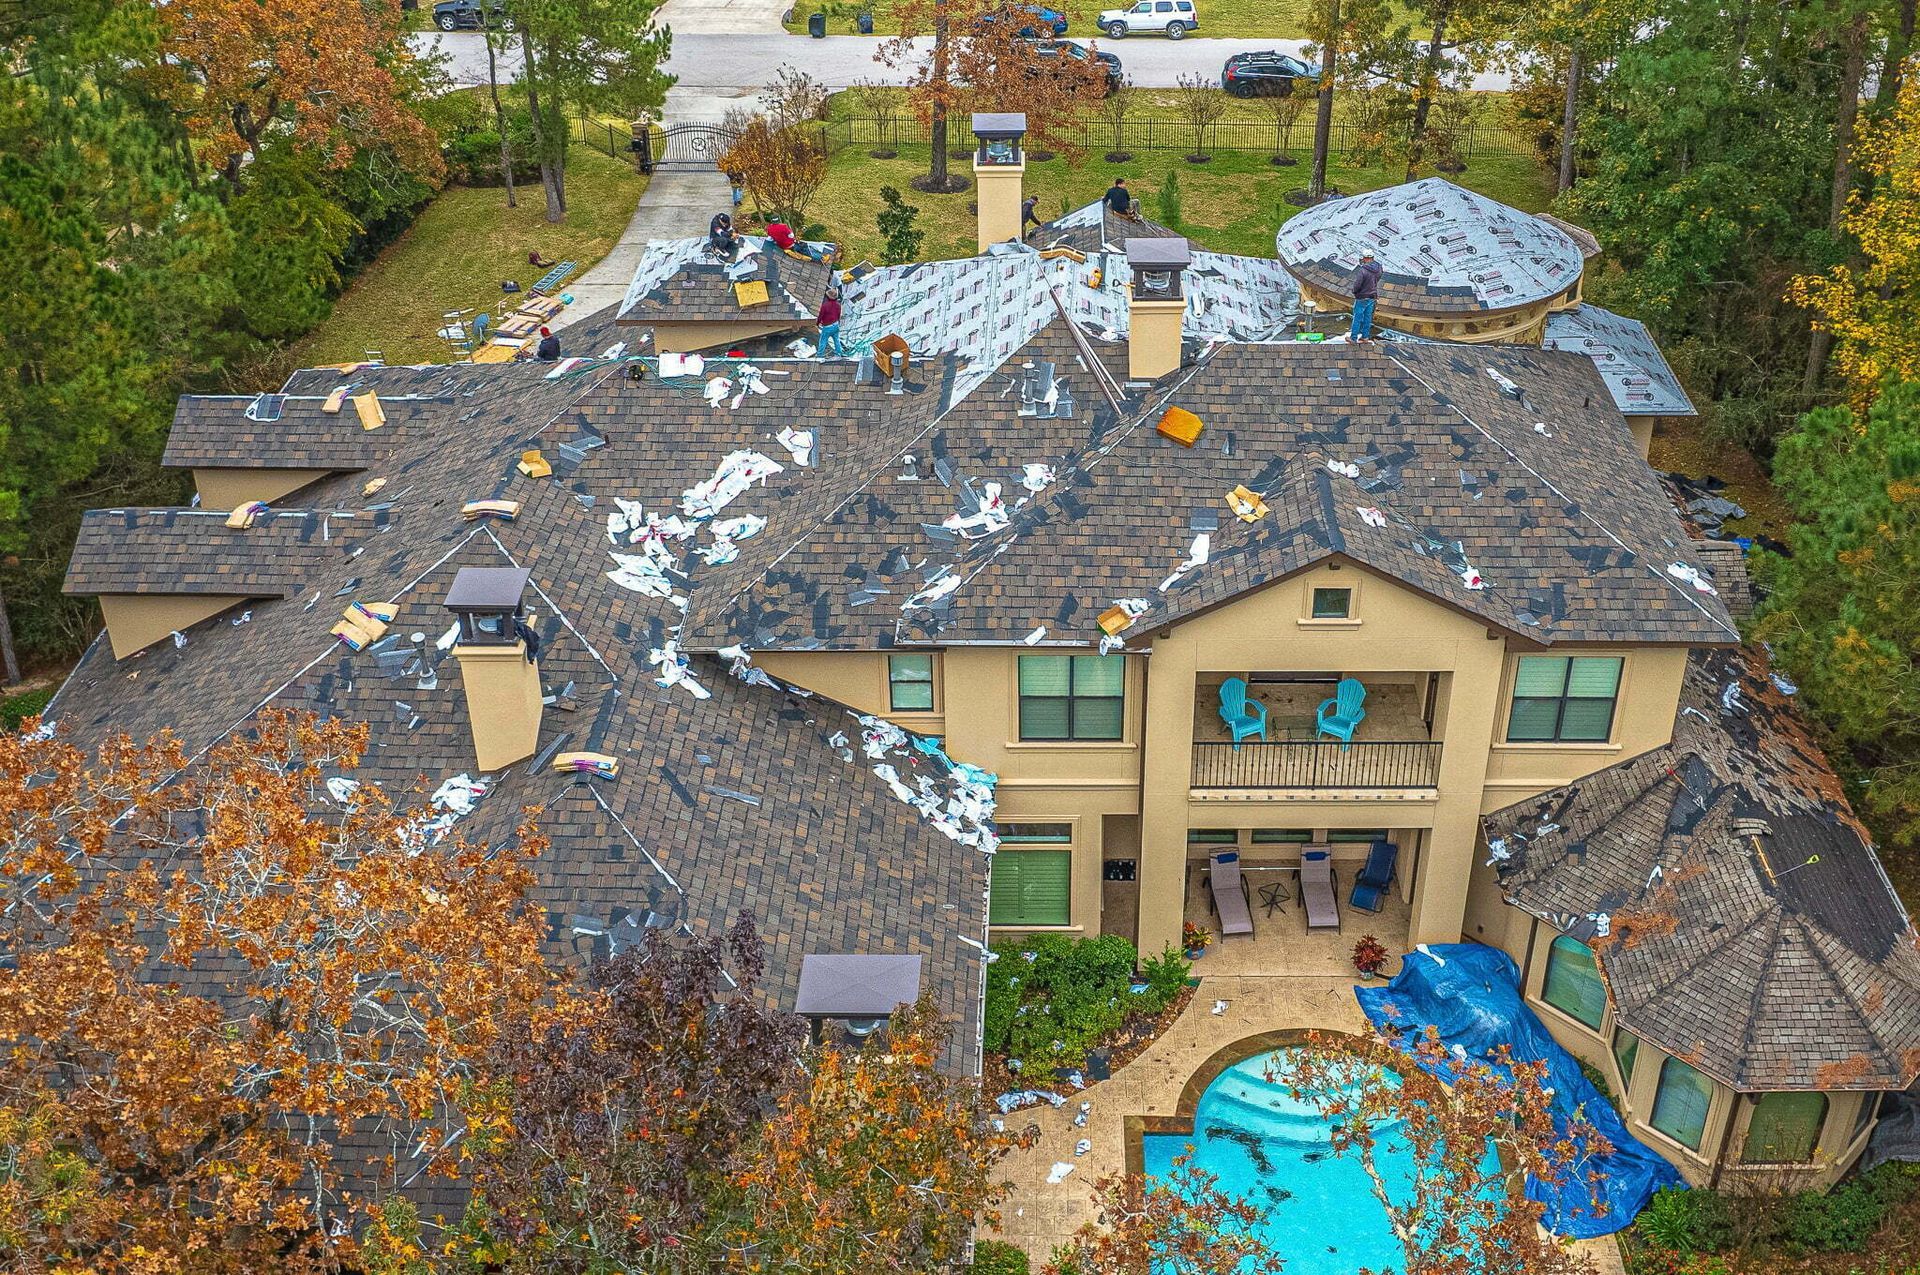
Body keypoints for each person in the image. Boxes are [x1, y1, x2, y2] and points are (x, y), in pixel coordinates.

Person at [1349, 251, 1383, 341]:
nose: (1362, 260)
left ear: (1366, 258)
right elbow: (1377, 279)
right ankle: (1365, 337)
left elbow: (1357, 285)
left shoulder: (1363, 270)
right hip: (1372, 296)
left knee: (1357, 318)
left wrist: (1355, 292)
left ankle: (1353, 338)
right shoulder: (1379, 267)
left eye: (1363, 258)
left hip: (1362, 297)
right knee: (1367, 317)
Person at [816, 289, 845, 358]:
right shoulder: (838, 305)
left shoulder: (825, 305)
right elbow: (838, 315)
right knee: (836, 340)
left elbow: (821, 316)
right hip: (835, 325)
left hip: (827, 327)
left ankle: (819, 355)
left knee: (823, 341)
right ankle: (839, 353)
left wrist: (818, 323)